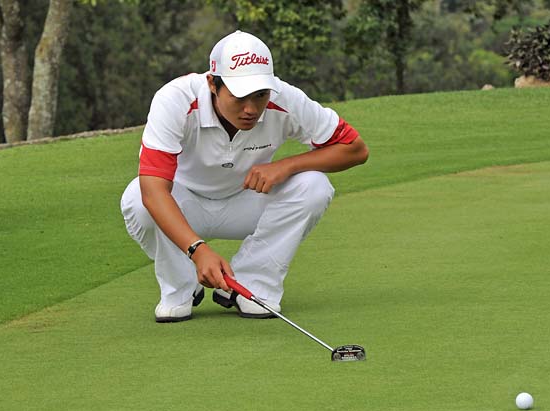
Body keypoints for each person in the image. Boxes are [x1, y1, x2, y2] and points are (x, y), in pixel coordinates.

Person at [120, 30, 369, 322]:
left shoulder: (284, 98)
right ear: (212, 83)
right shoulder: (175, 99)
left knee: (314, 185)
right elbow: (153, 191)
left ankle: (251, 285)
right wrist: (198, 250)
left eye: (260, 95)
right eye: (239, 97)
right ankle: (181, 286)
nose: (251, 109)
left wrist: (285, 165)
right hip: (184, 206)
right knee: (138, 197)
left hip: (248, 201)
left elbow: (355, 148)